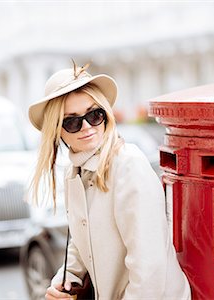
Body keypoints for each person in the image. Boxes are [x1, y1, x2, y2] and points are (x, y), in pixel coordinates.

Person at [28, 62, 191, 300]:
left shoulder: (128, 165)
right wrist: (65, 280)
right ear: (57, 131)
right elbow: (81, 242)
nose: (86, 127)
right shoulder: (75, 173)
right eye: (72, 121)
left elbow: (149, 268)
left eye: (94, 115)